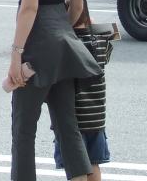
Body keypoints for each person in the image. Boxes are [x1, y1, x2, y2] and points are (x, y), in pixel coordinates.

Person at [7, 0, 101, 181]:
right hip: (65, 46)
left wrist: (16, 55)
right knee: (67, 126)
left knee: (23, 130)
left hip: (37, 48)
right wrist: (61, 33)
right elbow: (76, 6)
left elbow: (29, 8)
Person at [53, 12, 113, 181]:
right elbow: (107, 56)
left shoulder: (66, 44)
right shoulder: (99, 40)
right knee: (94, 163)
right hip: (96, 117)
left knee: (76, 166)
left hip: (74, 120)